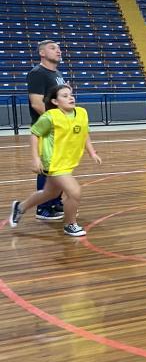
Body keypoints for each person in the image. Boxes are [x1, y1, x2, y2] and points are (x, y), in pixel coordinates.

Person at [9, 84, 102, 237]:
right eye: (64, 96)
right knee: (74, 192)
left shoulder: (82, 113)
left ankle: (20, 207)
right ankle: (70, 224)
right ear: (55, 101)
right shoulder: (50, 117)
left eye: (71, 95)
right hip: (53, 162)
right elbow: (34, 134)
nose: (70, 97)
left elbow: (85, 133)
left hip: (68, 161)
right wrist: (35, 159)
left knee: (49, 193)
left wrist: (92, 152)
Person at [27, 40, 67, 221]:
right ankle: (43, 208)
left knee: (59, 167)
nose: (58, 51)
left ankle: (55, 200)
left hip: (59, 128)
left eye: (58, 48)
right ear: (42, 53)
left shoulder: (57, 74)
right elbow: (36, 104)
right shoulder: (37, 73)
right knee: (47, 168)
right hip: (47, 129)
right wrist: (56, 122)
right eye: (53, 48)